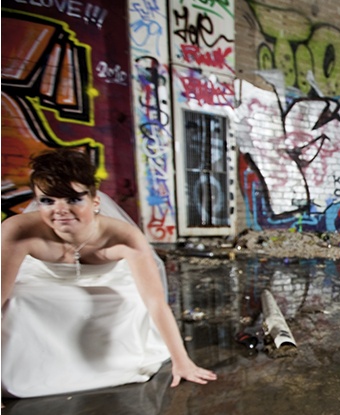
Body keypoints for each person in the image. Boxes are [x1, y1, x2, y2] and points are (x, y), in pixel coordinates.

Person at [2, 148, 217, 398]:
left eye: (73, 199)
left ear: (95, 202)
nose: (60, 210)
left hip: (107, 280)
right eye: (48, 201)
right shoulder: (17, 232)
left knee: (132, 301)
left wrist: (182, 361)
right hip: (43, 280)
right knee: (17, 303)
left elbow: (156, 302)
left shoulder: (123, 237)